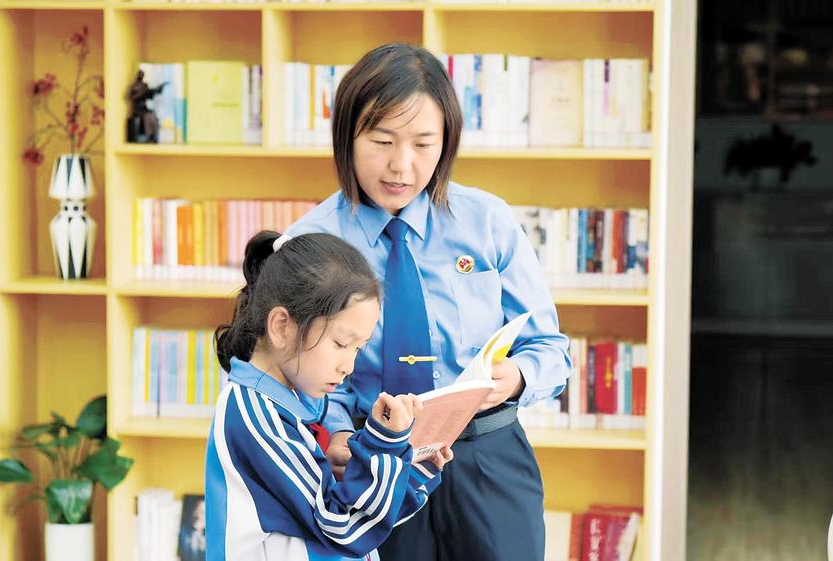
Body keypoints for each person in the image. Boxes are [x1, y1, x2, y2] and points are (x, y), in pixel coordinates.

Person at [285, 43, 572, 561]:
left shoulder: (487, 221)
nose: (401, 166)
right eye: (382, 141)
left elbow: (550, 349)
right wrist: (339, 434)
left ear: (447, 143)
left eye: (423, 144)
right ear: (346, 136)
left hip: (489, 458)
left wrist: (517, 377)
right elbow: (294, 374)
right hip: (376, 463)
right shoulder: (309, 244)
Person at [205, 230, 454, 561]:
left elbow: (362, 521)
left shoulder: (299, 402)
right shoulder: (254, 417)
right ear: (281, 326)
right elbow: (342, 527)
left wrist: (412, 467)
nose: (348, 367)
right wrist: (385, 446)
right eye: (340, 344)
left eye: (358, 349)